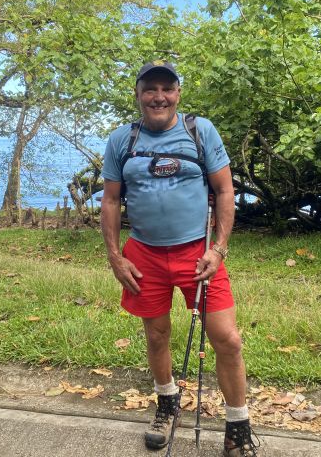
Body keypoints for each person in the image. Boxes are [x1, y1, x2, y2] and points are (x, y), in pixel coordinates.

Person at [101, 61, 258, 456]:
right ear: (137, 95)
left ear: (178, 94)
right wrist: (116, 257)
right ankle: (167, 403)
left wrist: (219, 249)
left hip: (198, 254)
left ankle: (237, 425)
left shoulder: (199, 131)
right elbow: (110, 199)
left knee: (228, 339)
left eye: (167, 89)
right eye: (150, 89)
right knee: (156, 335)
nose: (159, 97)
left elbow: (225, 191)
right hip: (143, 255)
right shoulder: (122, 139)